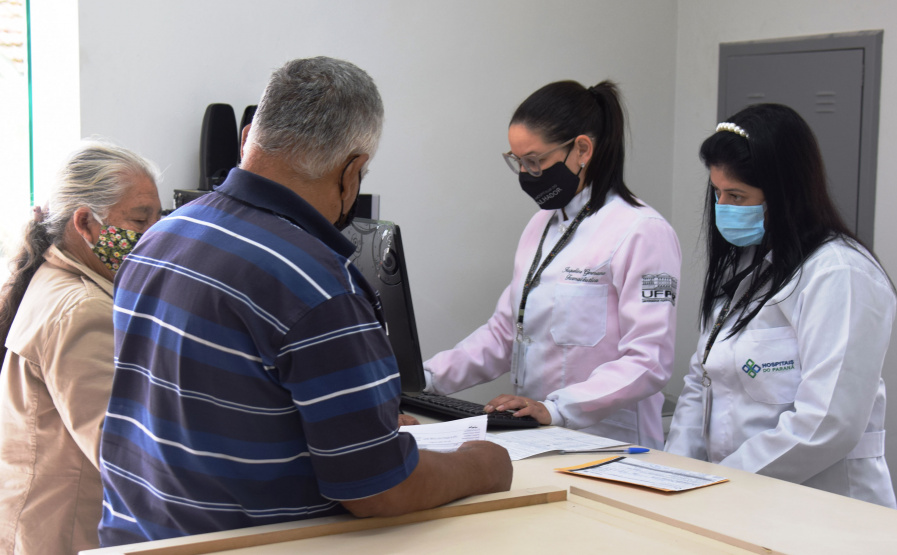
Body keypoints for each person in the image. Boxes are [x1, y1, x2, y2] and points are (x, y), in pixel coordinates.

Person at [97, 57, 511, 546]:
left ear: (250, 136)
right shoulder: (317, 287)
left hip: (141, 538)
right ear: (352, 172)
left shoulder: (161, 237)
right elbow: (377, 490)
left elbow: (219, 408)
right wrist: (482, 464)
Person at [423, 80, 681, 449]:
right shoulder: (541, 226)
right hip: (539, 437)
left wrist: (556, 408)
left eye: (536, 161)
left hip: (609, 445)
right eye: (518, 162)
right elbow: (505, 334)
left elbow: (649, 360)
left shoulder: (642, 231)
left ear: (582, 149)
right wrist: (426, 378)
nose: (527, 174)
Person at [665, 103, 897, 508]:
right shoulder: (744, 266)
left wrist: (722, 482)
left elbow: (828, 422)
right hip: (735, 497)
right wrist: (673, 475)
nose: (723, 207)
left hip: (824, 507)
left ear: (786, 192)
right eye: (717, 193)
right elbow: (700, 384)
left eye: (737, 195)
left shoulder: (839, 273)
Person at [0, 142, 160, 554]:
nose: (155, 234)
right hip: (66, 534)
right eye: (140, 219)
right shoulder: (83, 309)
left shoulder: (56, 279)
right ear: (86, 224)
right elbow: (119, 451)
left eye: (160, 219)